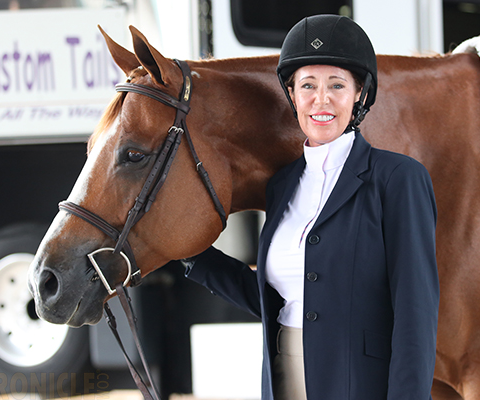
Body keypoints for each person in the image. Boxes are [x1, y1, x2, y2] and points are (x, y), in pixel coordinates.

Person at [184, 14, 439, 400]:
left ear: (359, 94)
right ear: (292, 95)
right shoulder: (282, 186)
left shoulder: (399, 179)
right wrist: (189, 255)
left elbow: (415, 314)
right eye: (308, 86)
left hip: (359, 383)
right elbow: (273, 298)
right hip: (283, 375)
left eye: (337, 85)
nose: (322, 99)